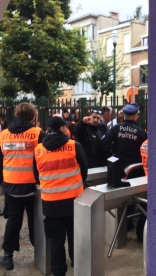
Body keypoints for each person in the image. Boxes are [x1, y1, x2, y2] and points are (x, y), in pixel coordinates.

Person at [34, 116, 88, 276]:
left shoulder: (38, 150)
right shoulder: (73, 146)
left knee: (56, 240)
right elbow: (84, 171)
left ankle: (58, 272)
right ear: (62, 129)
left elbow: (36, 176)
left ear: (48, 130)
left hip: (50, 204)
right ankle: (77, 265)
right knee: (74, 236)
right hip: (74, 201)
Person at [0, 102, 46, 270]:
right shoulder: (37, 133)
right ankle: (43, 253)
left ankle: (8, 256)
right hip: (33, 186)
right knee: (36, 220)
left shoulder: (3, 135)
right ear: (32, 117)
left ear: (16, 114)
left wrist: (1, 181)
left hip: (11, 186)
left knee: (13, 221)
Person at [101, 103, 148, 178]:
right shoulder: (140, 132)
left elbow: (103, 143)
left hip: (119, 167)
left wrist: (111, 157)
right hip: (136, 168)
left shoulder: (115, 128)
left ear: (124, 116)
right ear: (134, 117)